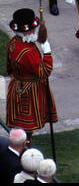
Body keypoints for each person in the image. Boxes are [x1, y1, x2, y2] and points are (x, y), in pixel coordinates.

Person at [6, 8, 58, 144]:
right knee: (26, 131)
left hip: (16, 87)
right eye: (33, 29)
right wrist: (47, 52)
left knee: (20, 128)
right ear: (26, 31)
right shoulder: (27, 51)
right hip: (29, 92)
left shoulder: (13, 43)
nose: (35, 31)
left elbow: (9, 68)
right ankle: (25, 154)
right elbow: (44, 72)